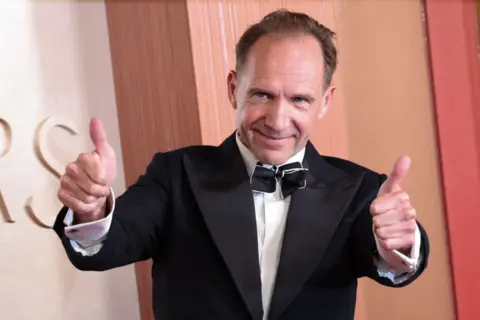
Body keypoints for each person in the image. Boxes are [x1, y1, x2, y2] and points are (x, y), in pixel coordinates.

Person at [54, 9, 429, 320]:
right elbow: (111, 241)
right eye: (262, 94)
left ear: (325, 101)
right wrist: (92, 210)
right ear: (234, 88)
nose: (278, 120)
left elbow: (393, 262)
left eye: (300, 100)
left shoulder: (360, 189)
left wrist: (401, 243)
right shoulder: (175, 174)